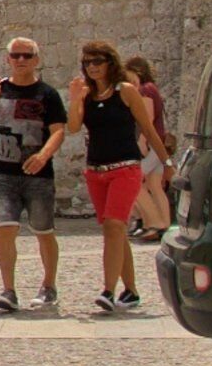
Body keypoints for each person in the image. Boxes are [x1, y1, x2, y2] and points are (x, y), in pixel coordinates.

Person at [71, 40, 168, 314]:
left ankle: (108, 289)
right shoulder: (87, 95)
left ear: (110, 63)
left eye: (97, 61)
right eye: (87, 62)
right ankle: (132, 291)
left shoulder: (125, 91)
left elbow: (148, 129)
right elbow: (74, 126)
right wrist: (76, 98)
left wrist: (167, 162)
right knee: (114, 232)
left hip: (125, 168)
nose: (92, 67)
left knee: (115, 226)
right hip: (96, 170)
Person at [0, 38, 70, 312]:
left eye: (26, 55)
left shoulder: (48, 94)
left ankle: (49, 285)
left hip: (37, 174)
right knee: (5, 230)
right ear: (8, 59)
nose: (20, 60)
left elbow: (58, 130)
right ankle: (8, 290)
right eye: (15, 55)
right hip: (2, 173)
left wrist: (43, 155)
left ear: (36, 59)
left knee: (44, 231)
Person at [126, 54, 175, 242]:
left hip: (151, 145)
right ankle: (163, 224)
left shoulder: (145, 90)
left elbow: (146, 119)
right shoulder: (152, 88)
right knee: (155, 185)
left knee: (134, 183)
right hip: (159, 144)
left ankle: (154, 223)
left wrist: (142, 143)